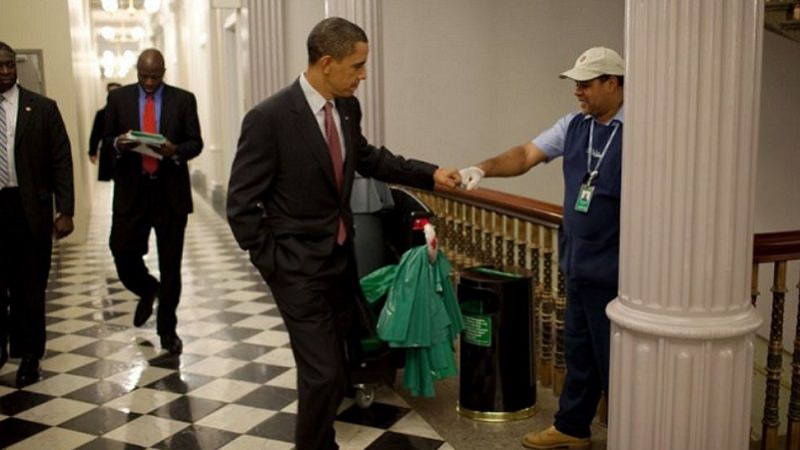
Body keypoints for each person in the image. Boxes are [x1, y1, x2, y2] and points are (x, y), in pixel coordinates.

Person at [226, 17, 461, 450]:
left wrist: (431, 175)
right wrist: (274, 264)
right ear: (328, 62)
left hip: (339, 261)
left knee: (332, 366)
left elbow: (370, 159)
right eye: (357, 65)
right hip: (295, 268)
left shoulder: (347, 109)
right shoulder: (269, 118)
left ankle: (322, 443)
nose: (364, 75)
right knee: (325, 373)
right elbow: (240, 204)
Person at [459, 46, 625, 450]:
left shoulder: (642, 130)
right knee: (579, 352)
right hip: (579, 263)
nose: (578, 92)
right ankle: (572, 426)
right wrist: (482, 168)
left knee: (617, 365)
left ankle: (635, 435)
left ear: (613, 83)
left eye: (586, 85)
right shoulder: (574, 126)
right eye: (576, 85)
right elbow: (526, 154)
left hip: (619, 270)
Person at [103, 48, 202, 355]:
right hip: (132, 191)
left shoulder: (183, 99)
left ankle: (167, 330)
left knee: (172, 266)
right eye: (144, 76)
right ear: (136, 71)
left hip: (169, 192)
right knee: (121, 251)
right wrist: (119, 143)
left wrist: (175, 151)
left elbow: (195, 142)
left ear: (164, 72)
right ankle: (147, 289)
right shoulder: (118, 100)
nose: (149, 82)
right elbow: (105, 139)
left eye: (155, 76)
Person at [0, 42, 74, 386]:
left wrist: (66, 210)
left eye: (10, 65)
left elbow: (61, 161)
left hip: (30, 210)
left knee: (31, 288)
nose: (5, 71)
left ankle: (30, 356)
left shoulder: (41, 108)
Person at [88, 81, 121, 181]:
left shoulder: (127, 113)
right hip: (108, 151)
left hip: (125, 152)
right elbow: (96, 133)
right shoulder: (102, 114)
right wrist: (92, 151)